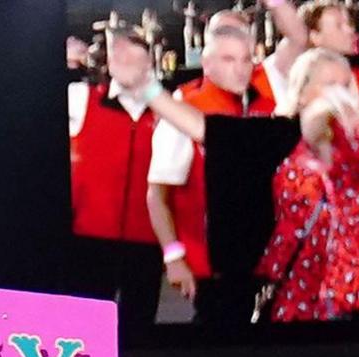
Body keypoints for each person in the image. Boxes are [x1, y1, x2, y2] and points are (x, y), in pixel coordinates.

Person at [145, 11, 274, 323]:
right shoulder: (185, 109)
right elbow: (157, 194)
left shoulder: (266, 104)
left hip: (265, 256)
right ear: (208, 64)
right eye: (229, 59)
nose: (241, 69)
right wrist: (174, 256)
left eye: (246, 59)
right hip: (213, 261)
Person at [255, 48, 359, 321]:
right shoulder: (278, 145)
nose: (339, 96)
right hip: (306, 299)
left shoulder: (358, 142)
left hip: (353, 294)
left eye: (344, 86)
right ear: (302, 93)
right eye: (330, 87)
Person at [70, 26, 167, 324]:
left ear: (149, 66)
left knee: (140, 328)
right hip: (89, 240)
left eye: (136, 60)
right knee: (84, 329)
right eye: (119, 57)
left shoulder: (166, 111)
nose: (128, 66)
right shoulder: (81, 98)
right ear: (110, 63)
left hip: (146, 242)